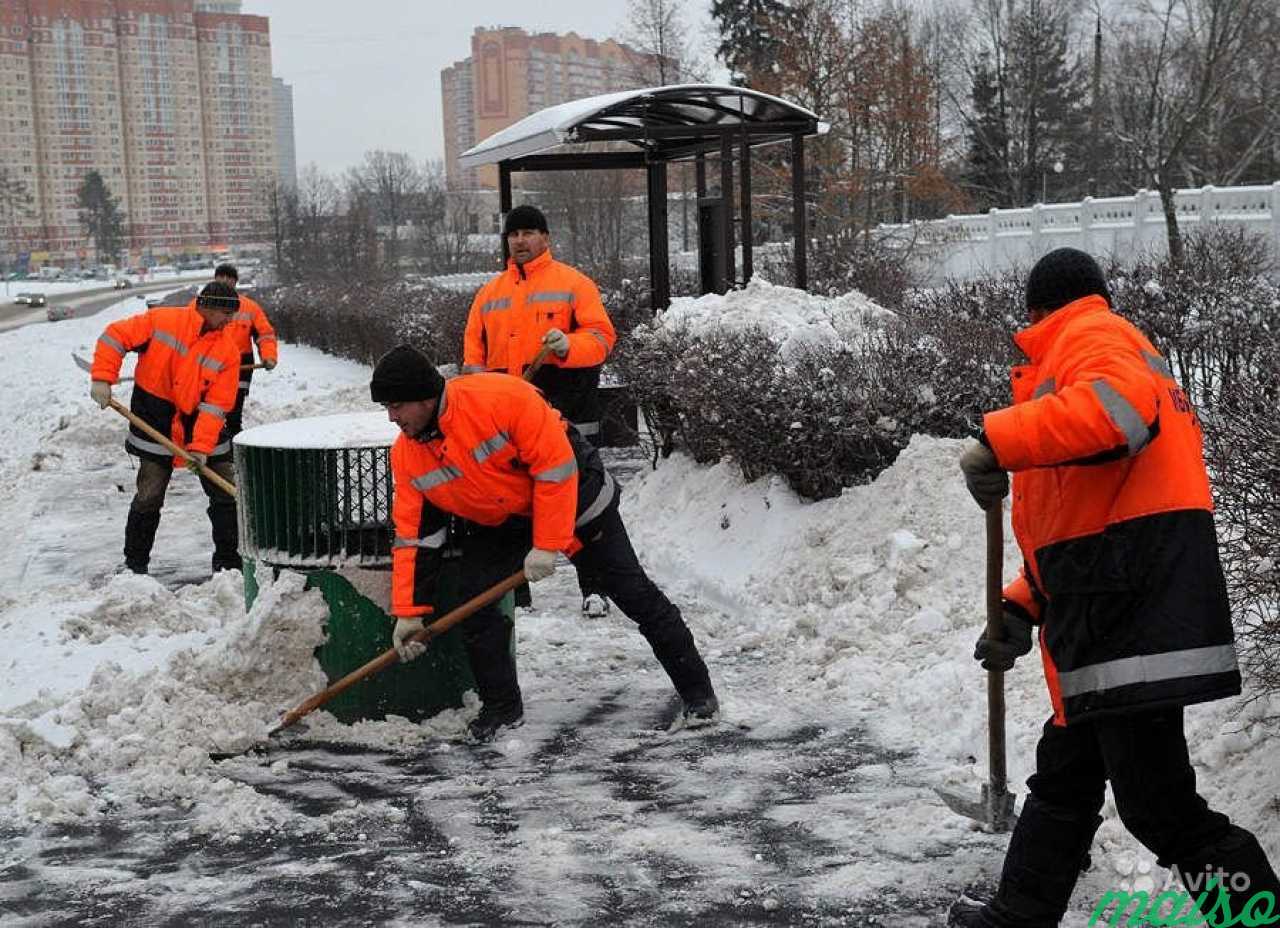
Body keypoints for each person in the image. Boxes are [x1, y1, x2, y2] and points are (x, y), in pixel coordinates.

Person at [951, 248, 1279, 927]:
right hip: (1113, 605)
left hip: (1132, 619)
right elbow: (1084, 518)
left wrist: (998, 440)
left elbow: (1119, 417)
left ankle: (1259, 920)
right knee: (1066, 776)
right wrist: (1022, 603)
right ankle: (1020, 914)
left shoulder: (1091, 337)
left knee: (1160, 808)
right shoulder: (1098, 347)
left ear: (1038, 309)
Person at [371, 343, 719, 743]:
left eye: (397, 406)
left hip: (576, 494)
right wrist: (410, 612)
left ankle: (698, 692)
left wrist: (548, 542)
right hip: (501, 518)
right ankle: (501, 707)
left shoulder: (502, 399)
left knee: (630, 590)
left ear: (426, 397)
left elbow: (555, 470)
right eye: (387, 408)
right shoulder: (408, 455)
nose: (392, 417)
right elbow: (415, 535)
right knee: (476, 602)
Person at [462, 204, 616, 620]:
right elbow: (473, 360)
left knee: (581, 503)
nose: (520, 241)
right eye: (513, 234)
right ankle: (518, 592)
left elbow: (602, 338)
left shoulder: (573, 284)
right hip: (510, 417)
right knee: (515, 501)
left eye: (529, 232)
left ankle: (594, 586)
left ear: (546, 238)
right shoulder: (489, 295)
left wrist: (568, 347)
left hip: (567, 410)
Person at [90, 281, 243, 576]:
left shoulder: (227, 351)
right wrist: (102, 377)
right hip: (153, 421)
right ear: (207, 307)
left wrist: (200, 448)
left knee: (226, 492)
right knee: (149, 495)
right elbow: (114, 336)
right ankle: (135, 564)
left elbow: (215, 407)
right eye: (226, 312)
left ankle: (228, 562)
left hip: (201, 426)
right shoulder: (163, 321)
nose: (230, 320)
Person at [213, 263, 278, 437]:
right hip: (211, 364)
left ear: (235, 282)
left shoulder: (250, 308)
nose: (226, 282)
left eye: (230, 279)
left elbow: (265, 335)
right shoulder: (201, 305)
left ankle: (233, 442)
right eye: (222, 278)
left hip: (241, 365)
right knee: (211, 409)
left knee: (234, 410)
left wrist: (269, 356)